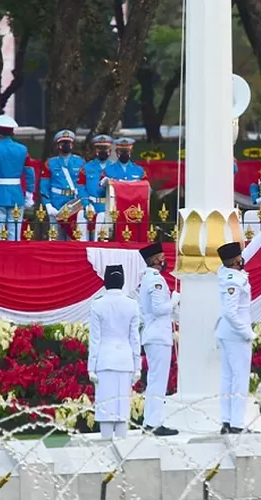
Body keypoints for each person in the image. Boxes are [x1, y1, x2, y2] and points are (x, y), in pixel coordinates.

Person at [215, 213, 261, 434]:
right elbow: (230, 312)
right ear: (236, 262)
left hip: (227, 334)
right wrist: (247, 332)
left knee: (228, 378)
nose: (243, 258)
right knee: (239, 379)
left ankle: (227, 420)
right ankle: (236, 423)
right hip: (236, 334)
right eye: (240, 257)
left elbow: (249, 252)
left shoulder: (226, 271)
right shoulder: (233, 279)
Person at [88, 264, 141, 440]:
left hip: (105, 359)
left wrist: (91, 368)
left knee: (106, 409)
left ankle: (106, 447)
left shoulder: (97, 305)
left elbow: (95, 340)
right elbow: (135, 338)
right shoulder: (132, 304)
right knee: (121, 409)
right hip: (125, 360)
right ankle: (122, 448)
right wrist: (138, 366)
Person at [138, 242, 180, 436]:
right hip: (157, 335)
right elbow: (158, 309)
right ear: (154, 259)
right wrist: (174, 300)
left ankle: (150, 421)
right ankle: (153, 423)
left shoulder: (150, 278)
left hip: (155, 334)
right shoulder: (155, 280)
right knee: (157, 381)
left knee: (156, 380)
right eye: (161, 256)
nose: (164, 260)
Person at [0, 115, 36, 241]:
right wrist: (30, 193)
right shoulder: (22, 149)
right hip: (16, 192)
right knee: (14, 232)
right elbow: (30, 172)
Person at [40, 130, 86, 241]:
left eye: (68, 143)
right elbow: (44, 185)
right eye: (63, 143)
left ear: (72, 145)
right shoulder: (50, 163)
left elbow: (84, 183)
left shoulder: (80, 162)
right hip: (56, 203)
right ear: (58, 145)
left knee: (74, 237)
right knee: (56, 238)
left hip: (74, 203)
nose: (66, 145)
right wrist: (48, 204)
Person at [78, 135, 114, 241]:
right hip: (91, 204)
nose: (102, 151)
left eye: (105, 149)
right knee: (82, 232)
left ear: (110, 150)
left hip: (107, 206)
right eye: (99, 149)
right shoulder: (86, 167)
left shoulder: (114, 167)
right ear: (95, 150)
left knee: (102, 237)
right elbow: (81, 186)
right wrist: (86, 203)